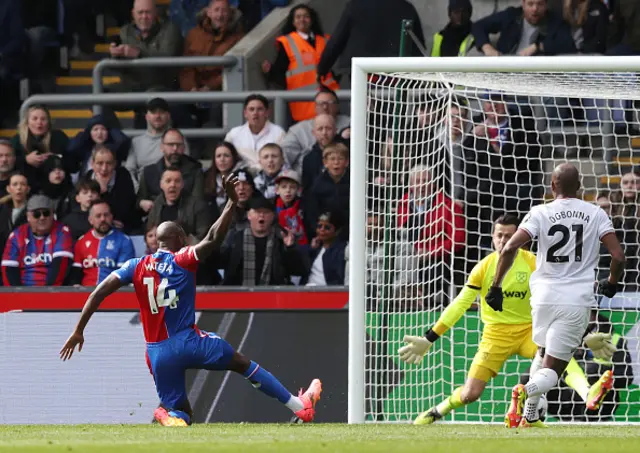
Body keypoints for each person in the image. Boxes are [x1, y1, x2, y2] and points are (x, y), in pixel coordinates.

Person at [59, 176, 322, 427]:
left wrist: (78, 329)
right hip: (189, 342)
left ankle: (172, 416)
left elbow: (98, 293)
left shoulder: (135, 265)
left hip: (156, 352)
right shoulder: (182, 259)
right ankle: (299, 406)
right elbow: (212, 239)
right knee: (242, 364)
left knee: (182, 413)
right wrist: (231, 204)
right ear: (179, 241)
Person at [398, 214, 616, 426]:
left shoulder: (534, 265)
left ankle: (588, 393)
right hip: (496, 335)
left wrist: (586, 332)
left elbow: (560, 299)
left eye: (508, 236)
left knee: (559, 356)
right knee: (469, 394)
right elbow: (459, 304)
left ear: (519, 239)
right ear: (492, 237)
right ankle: (437, 411)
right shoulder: (483, 268)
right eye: (499, 235)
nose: (503, 240)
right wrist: (429, 338)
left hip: (530, 330)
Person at [485, 163, 626, 428]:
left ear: (552, 187)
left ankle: (531, 415)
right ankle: (525, 390)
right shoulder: (596, 213)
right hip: (574, 299)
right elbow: (618, 256)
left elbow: (509, 248)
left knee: (544, 352)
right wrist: (612, 282)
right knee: (554, 368)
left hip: (542, 297)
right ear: (580, 187)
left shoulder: (540, 212)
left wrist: (495, 287)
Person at [316, 0, 425, 85]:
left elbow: (336, 41)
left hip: (364, 74)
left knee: (362, 111)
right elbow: (418, 46)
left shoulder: (355, 6)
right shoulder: (406, 8)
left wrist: (322, 69)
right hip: (397, 76)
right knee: (395, 111)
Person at [262, 4, 339, 123]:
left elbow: (336, 68)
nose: (302, 20)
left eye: (306, 16)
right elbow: (280, 72)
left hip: (328, 103)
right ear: (292, 22)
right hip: (303, 106)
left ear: (312, 20)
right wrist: (270, 71)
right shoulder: (287, 42)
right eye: (298, 17)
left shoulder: (325, 40)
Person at [2, 195, 74, 286]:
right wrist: (18, 295)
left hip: (52, 291)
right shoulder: (17, 235)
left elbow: (61, 267)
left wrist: (46, 293)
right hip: (22, 291)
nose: (42, 217)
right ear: (28, 217)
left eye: (46, 213)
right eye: (36, 214)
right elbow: (8, 269)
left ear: (53, 215)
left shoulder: (62, 231)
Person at [280, 88, 350, 173]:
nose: (325, 107)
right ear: (315, 107)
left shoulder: (351, 124)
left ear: (337, 106)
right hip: (304, 180)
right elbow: (283, 158)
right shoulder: (299, 130)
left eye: (330, 103)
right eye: (321, 104)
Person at [472, 0, 576, 56]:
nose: (535, 9)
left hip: (537, 77)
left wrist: (538, 46)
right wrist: (487, 47)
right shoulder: (511, 15)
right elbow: (478, 26)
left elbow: (568, 45)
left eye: (540, 4)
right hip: (504, 71)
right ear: (523, 4)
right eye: (530, 4)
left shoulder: (556, 22)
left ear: (546, 5)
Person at [69, 200, 135, 286]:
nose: (103, 219)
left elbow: (124, 275)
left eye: (106, 215)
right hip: (86, 293)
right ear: (90, 220)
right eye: (98, 216)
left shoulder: (124, 240)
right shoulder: (82, 241)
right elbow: (76, 275)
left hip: (113, 292)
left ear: (111, 217)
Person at [138, 128, 204, 211]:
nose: (175, 149)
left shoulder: (195, 170)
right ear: (162, 147)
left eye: (178, 145)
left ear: (183, 147)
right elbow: (138, 201)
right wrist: (142, 203)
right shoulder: (149, 172)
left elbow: (198, 202)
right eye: (170, 144)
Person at [10, 106, 70, 192]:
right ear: (27, 122)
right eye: (34, 119)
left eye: (43, 119)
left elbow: (72, 163)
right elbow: (7, 163)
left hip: (57, 188)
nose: (39, 122)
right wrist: (26, 159)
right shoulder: (17, 140)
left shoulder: (58, 137)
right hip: (26, 188)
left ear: (48, 122)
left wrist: (55, 159)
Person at [224, 94, 285, 174]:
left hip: (270, 177)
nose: (255, 113)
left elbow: (284, 161)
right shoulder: (234, 134)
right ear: (245, 113)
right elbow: (225, 156)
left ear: (267, 113)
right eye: (251, 109)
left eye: (259, 109)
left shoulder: (278, 133)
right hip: (241, 180)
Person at [146, 167, 212, 242]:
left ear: (182, 184)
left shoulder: (197, 206)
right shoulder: (157, 205)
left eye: (177, 181)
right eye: (168, 181)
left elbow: (204, 239)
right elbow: (150, 233)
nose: (173, 185)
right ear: (161, 184)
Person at [87, 145, 140, 234]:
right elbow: (84, 208)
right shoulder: (87, 178)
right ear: (92, 164)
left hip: (124, 226)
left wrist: (104, 192)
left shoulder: (123, 176)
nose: (104, 168)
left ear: (115, 163)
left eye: (109, 163)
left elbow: (125, 209)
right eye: (100, 163)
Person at [66, 114, 131, 176]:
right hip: (87, 184)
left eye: (103, 129)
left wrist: (111, 129)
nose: (99, 133)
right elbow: (71, 148)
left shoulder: (114, 149)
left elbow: (122, 140)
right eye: (95, 129)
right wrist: (84, 134)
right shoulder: (86, 148)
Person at [203, 142, 245, 216]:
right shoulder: (205, 178)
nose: (222, 159)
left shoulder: (242, 177)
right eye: (218, 156)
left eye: (226, 156)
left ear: (233, 158)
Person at [275, 169, 306, 246]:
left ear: (299, 190)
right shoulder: (271, 208)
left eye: (292, 187)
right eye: (284, 187)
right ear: (277, 190)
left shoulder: (305, 207)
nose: (288, 190)